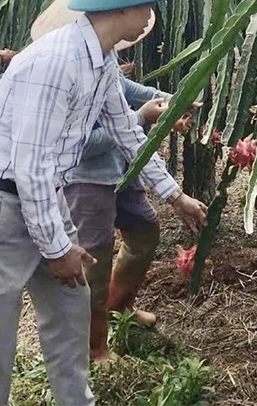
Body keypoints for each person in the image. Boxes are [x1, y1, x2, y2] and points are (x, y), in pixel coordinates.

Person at [0, 0, 208, 405]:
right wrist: (57, 249)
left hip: (44, 198)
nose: (152, 15)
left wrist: (175, 196)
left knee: (70, 313)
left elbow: (127, 133)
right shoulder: (54, 64)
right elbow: (30, 167)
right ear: (125, 7)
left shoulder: (101, 60)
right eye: (149, 4)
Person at [63, 74, 176, 362]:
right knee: (94, 263)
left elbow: (132, 90)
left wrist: (176, 103)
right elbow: (82, 145)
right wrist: (140, 118)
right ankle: (94, 347)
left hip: (122, 170)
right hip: (86, 179)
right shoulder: (68, 76)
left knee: (144, 231)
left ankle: (118, 308)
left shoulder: (103, 62)